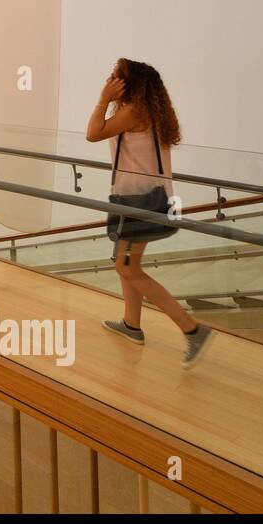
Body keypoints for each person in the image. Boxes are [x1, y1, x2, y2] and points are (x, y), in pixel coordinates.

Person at [86, 58, 215, 369]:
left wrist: (103, 98)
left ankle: (193, 330)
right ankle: (131, 325)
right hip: (142, 199)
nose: (110, 79)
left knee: (127, 268)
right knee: (127, 264)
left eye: (116, 76)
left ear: (128, 84)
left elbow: (93, 133)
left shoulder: (133, 112)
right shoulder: (148, 112)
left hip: (137, 202)